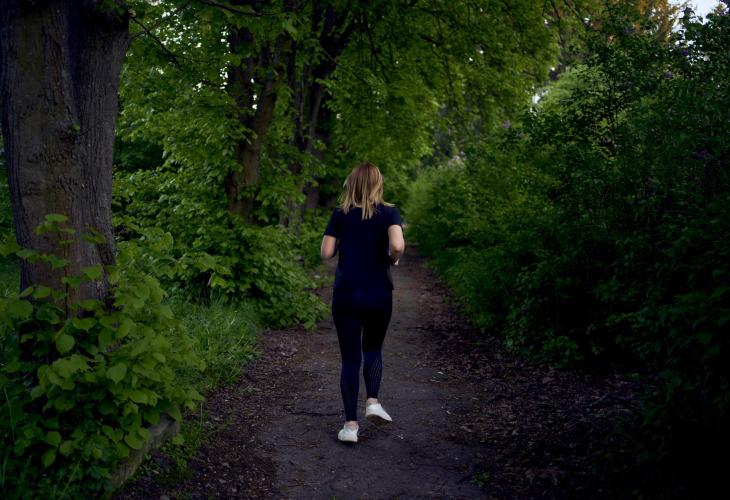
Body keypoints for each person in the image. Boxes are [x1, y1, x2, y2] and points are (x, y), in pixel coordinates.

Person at [320, 162, 405, 443]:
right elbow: (398, 245)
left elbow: (326, 252)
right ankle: (373, 402)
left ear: (352, 184)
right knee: (373, 349)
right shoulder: (390, 212)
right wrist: (392, 258)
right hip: (379, 293)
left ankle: (350, 427)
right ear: (377, 183)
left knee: (350, 359)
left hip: (346, 294)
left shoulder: (340, 213)